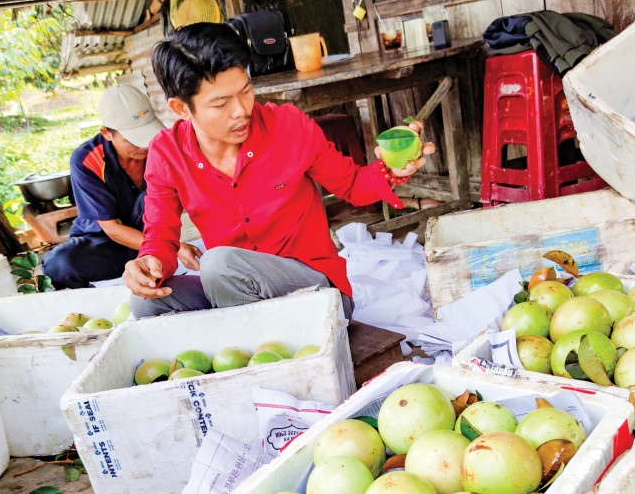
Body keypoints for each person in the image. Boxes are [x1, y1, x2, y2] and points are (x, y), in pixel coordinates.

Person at [123, 23, 434, 319]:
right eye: (220, 104)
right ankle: (242, 336)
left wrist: (391, 169)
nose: (241, 110)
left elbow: (352, 185)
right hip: (234, 289)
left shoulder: (288, 126)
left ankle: (252, 352)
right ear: (181, 108)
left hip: (316, 290)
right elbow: (160, 236)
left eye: (245, 91)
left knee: (219, 265)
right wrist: (149, 264)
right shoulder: (167, 153)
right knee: (145, 302)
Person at [43, 85, 203, 288]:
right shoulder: (87, 159)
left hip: (156, 238)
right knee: (59, 264)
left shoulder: (162, 146)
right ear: (107, 133)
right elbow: (113, 230)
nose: (145, 145)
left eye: (148, 134)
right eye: (134, 140)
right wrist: (176, 248)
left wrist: (165, 245)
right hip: (108, 244)